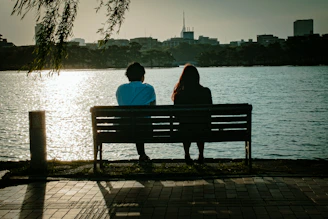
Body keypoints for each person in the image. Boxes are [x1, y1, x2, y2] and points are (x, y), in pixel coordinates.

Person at [171, 64, 212, 164]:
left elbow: (176, 115)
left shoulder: (179, 95)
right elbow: (209, 112)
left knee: (186, 125)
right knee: (200, 124)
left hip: (185, 129)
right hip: (203, 129)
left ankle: (187, 154)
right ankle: (201, 154)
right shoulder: (206, 92)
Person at [116, 62, 156, 161]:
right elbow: (153, 108)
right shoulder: (149, 88)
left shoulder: (120, 89)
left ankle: (142, 154)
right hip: (144, 130)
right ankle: (142, 154)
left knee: (134, 121)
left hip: (123, 130)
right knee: (141, 121)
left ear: (128, 76)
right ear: (142, 76)